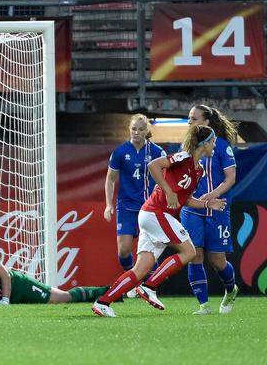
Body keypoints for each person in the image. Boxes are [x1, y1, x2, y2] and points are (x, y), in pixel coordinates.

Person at [92, 125, 227, 318]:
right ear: (204, 143)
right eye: (213, 141)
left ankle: (103, 302)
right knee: (189, 251)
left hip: (154, 216)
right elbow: (153, 165)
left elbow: (185, 200)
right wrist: (168, 190)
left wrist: (207, 204)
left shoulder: (198, 171)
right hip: (156, 213)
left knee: (141, 269)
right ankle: (150, 286)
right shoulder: (183, 157)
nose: (215, 145)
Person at [181, 105, 239, 315]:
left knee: (217, 261)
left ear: (206, 122)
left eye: (193, 118)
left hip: (217, 209)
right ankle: (203, 306)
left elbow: (230, 178)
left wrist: (211, 196)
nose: (189, 122)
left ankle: (231, 289)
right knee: (194, 254)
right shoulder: (185, 147)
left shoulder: (222, 146)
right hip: (192, 210)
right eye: (188, 118)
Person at [104, 114, 165, 296]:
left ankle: (149, 288)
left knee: (149, 252)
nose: (136, 132)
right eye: (133, 129)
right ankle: (130, 279)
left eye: (140, 129)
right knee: (123, 251)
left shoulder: (156, 152)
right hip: (126, 206)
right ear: (129, 130)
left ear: (147, 131)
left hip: (149, 208)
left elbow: (166, 177)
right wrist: (108, 205)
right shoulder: (121, 152)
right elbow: (110, 180)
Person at [0, 239, 109, 305]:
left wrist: (4, 300)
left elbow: (6, 275)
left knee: (63, 298)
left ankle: (106, 293)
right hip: (1, 302)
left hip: (17, 286)